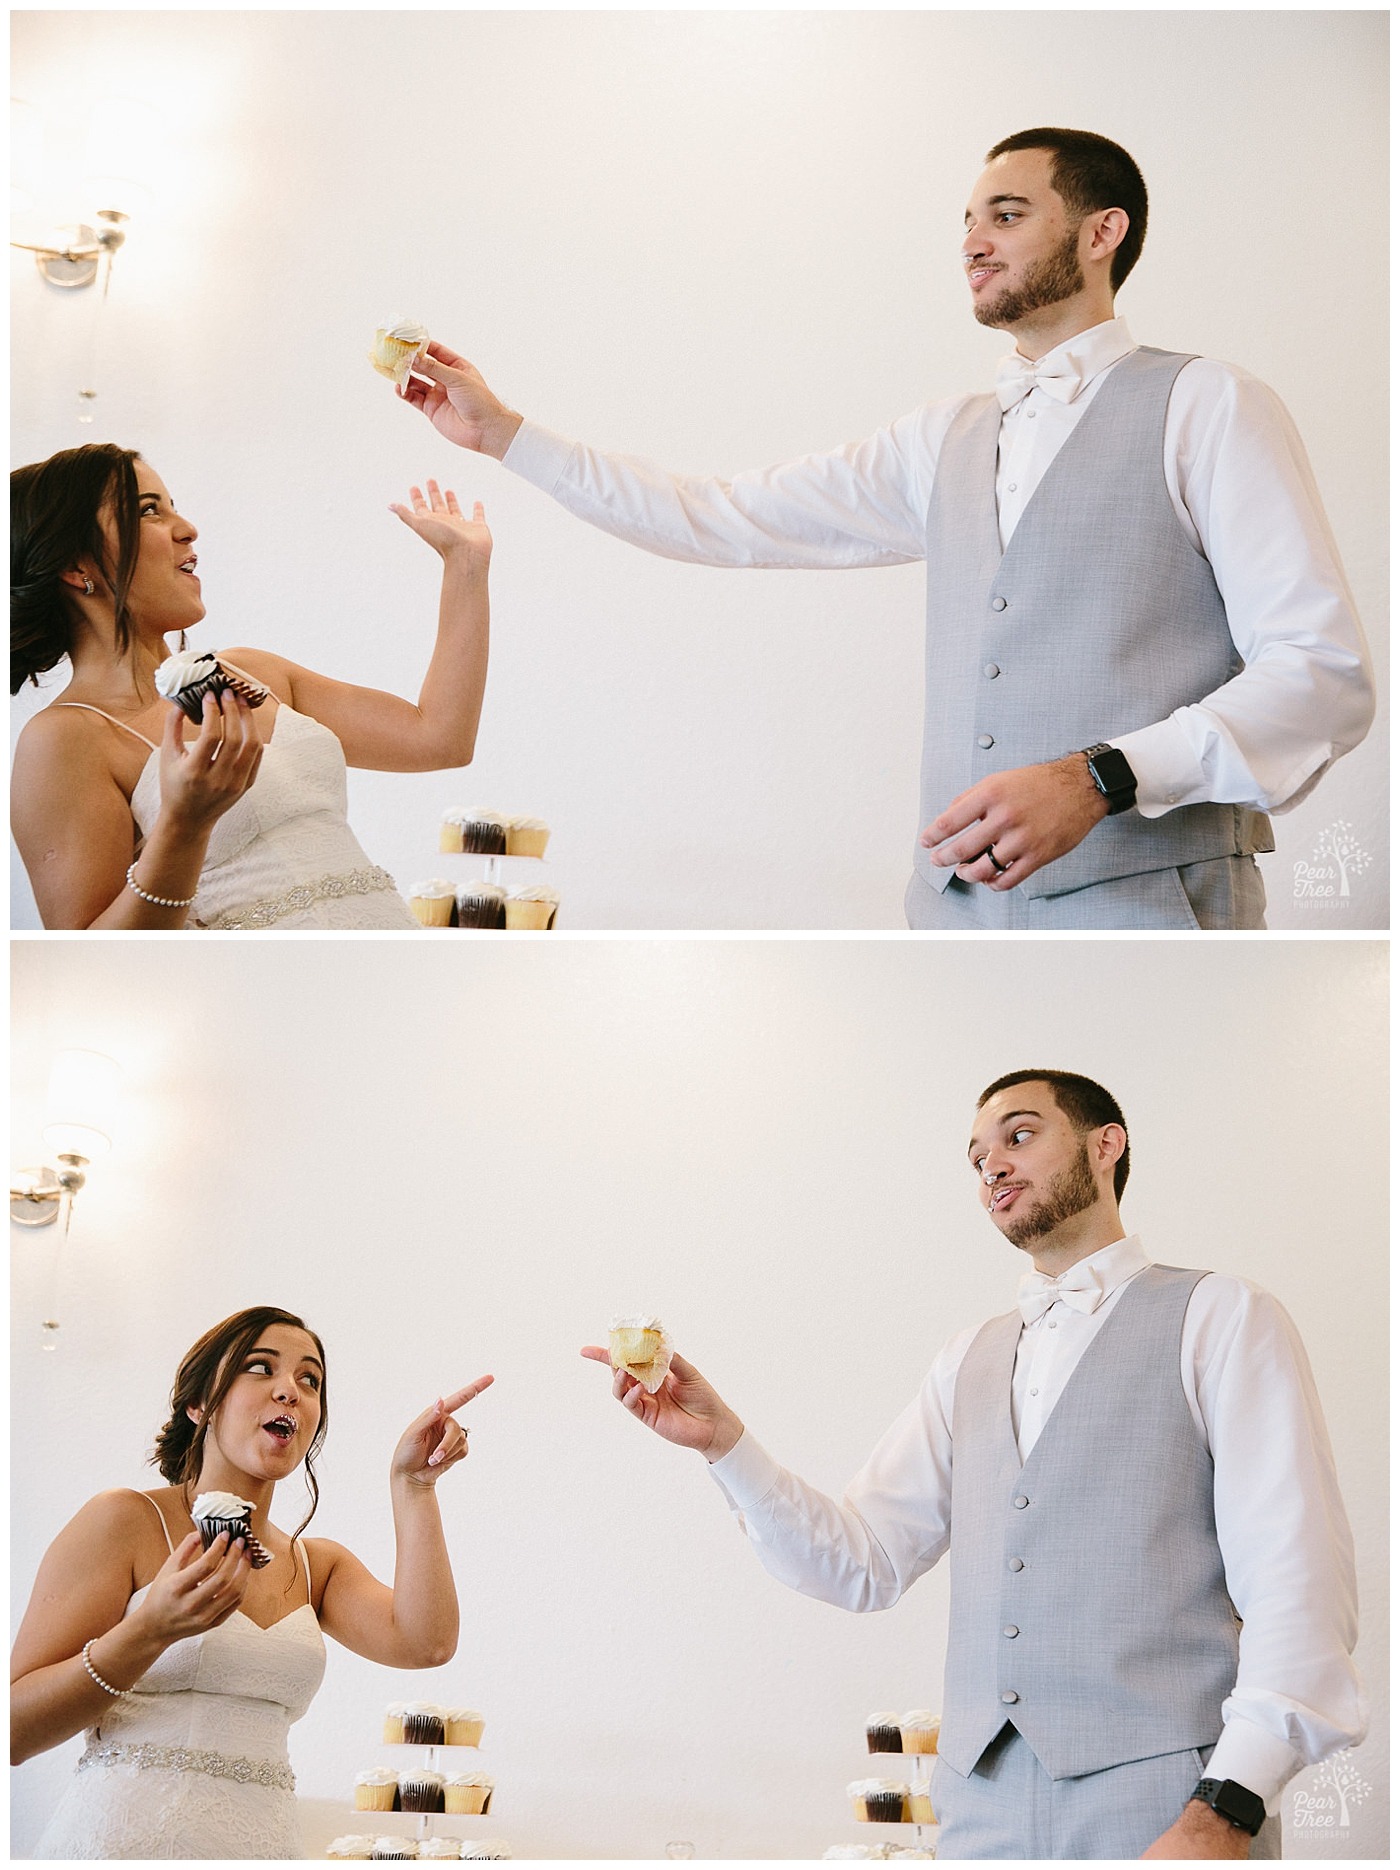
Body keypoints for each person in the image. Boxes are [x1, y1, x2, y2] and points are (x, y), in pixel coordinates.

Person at [397, 127, 1373, 929]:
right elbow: (715, 515)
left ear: (1099, 231)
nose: (972, 241)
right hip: (947, 918)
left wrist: (1103, 776)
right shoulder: (938, 436)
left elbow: (1320, 677)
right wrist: (507, 437)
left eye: (1006, 212)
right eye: (964, 221)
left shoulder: (1206, 403)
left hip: (1150, 910)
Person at [582, 1071, 1364, 1860]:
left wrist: (1226, 1808)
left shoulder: (1221, 1315)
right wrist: (725, 1444)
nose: (992, 1163)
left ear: (1106, 1145)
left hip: (1167, 1806)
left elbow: (1299, 1585)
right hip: (978, 1813)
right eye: (977, 1156)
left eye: (1020, 1135)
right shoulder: (969, 1359)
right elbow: (864, 1560)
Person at [11, 1304, 492, 1859]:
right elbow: (16, 1731)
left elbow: (427, 1643)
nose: (290, 1389)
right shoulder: (123, 1520)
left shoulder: (318, 1566)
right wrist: (147, 1631)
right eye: (261, 1368)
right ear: (198, 1404)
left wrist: (414, 1484)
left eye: (309, 1380)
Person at [11, 445, 492, 928]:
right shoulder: (63, 740)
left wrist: (465, 564)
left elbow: (440, 739)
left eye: (172, 506)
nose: (187, 528)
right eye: (149, 511)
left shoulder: (252, 671)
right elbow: (91, 960)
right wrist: (185, 824)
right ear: (77, 567)